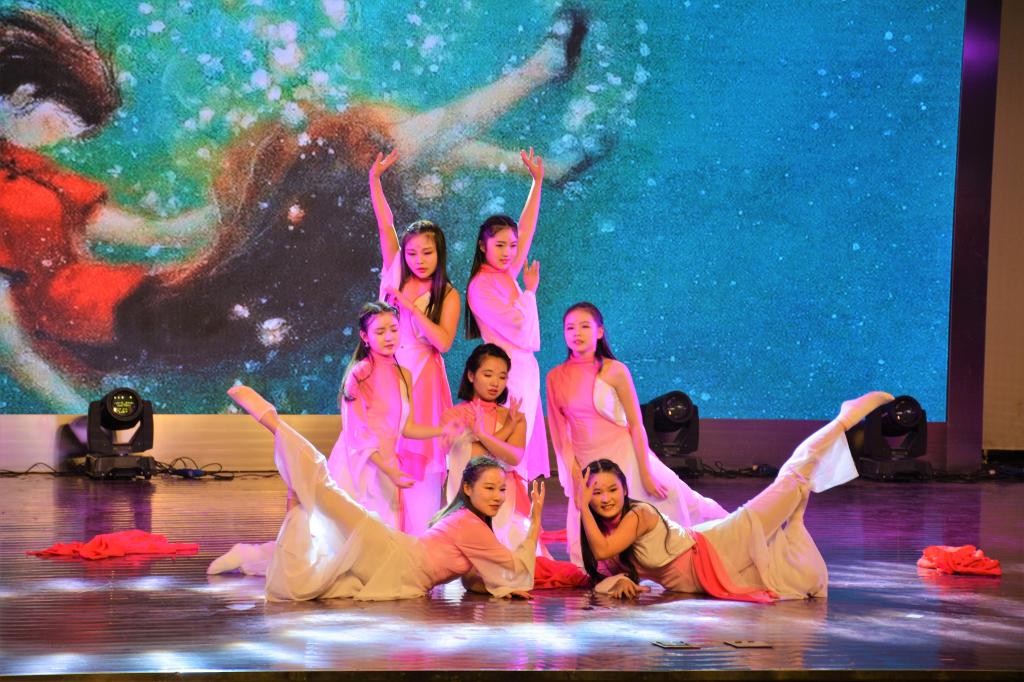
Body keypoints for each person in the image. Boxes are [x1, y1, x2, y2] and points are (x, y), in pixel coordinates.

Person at [0, 7, 593, 409]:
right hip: (163, 327)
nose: (64, 140)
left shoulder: (23, 165)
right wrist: (87, 427)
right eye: (60, 124)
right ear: (23, 96)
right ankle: (537, 84)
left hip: (169, 294)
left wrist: (256, 195)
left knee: (331, 144)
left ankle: (538, 149)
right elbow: (15, 348)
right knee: (345, 160)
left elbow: (158, 231)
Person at [209, 384, 545, 601]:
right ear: (467, 489)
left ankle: (269, 534)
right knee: (326, 490)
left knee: (320, 579)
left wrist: (499, 587)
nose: (498, 496)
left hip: (398, 567)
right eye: (490, 488)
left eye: (502, 489)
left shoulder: (471, 524)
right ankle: (273, 422)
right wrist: (536, 518)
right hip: (394, 555)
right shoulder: (468, 522)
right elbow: (515, 568)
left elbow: (478, 577)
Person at [577, 391, 894, 601]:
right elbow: (599, 573)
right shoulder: (606, 533)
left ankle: (844, 419)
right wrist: (620, 580)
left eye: (612, 490)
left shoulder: (637, 515)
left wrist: (582, 506)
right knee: (795, 580)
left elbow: (603, 550)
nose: (605, 498)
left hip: (719, 543)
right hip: (708, 575)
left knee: (791, 480)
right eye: (597, 493)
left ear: (625, 490)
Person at [546, 302, 728, 566]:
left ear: (599, 332)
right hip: (588, 464)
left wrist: (645, 472)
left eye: (585, 326)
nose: (577, 333)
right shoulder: (555, 377)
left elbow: (635, 424)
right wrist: (575, 477)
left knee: (682, 503)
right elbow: (561, 435)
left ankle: (732, 533)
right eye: (570, 328)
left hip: (626, 456)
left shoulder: (615, 370)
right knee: (595, 533)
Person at [367, 150, 459, 528]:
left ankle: (421, 539)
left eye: (427, 252)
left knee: (421, 468)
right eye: (412, 253)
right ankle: (386, 539)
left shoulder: (447, 294)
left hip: (423, 379)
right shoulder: (395, 274)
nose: (419, 259)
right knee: (383, 464)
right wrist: (375, 181)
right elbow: (385, 224)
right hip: (388, 374)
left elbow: (443, 342)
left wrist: (410, 307)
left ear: (439, 254)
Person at [326, 302, 449, 536]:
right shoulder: (360, 373)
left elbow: (407, 428)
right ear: (365, 336)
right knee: (359, 537)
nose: (389, 337)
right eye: (380, 332)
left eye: (394, 329)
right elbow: (357, 434)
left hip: (388, 463)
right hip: (361, 463)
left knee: (386, 536)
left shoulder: (404, 374)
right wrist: (388, 470)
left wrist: (441, 430)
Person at [464, 149, 547, 479]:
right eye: (499, 245)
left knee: (521, 445)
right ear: (482, 246)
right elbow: (518, 327)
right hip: (506, 372)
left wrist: (537, 183)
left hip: (524, 369)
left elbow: (525, 231)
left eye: (511, 246)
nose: (508, 252)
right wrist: (530, 292)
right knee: (508, 448)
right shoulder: (480, 287)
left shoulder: (505, 275)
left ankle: (520, 502)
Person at [441, 344, 530, 549]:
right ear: (471, 375)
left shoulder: (514, 416)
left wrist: (483, 435)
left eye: (502, 377)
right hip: (466, 501)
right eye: (488, 375)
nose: (495, 383)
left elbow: (514, 457)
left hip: (504, 499)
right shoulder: (453, 416)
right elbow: (474, 460)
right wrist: (506, 430)